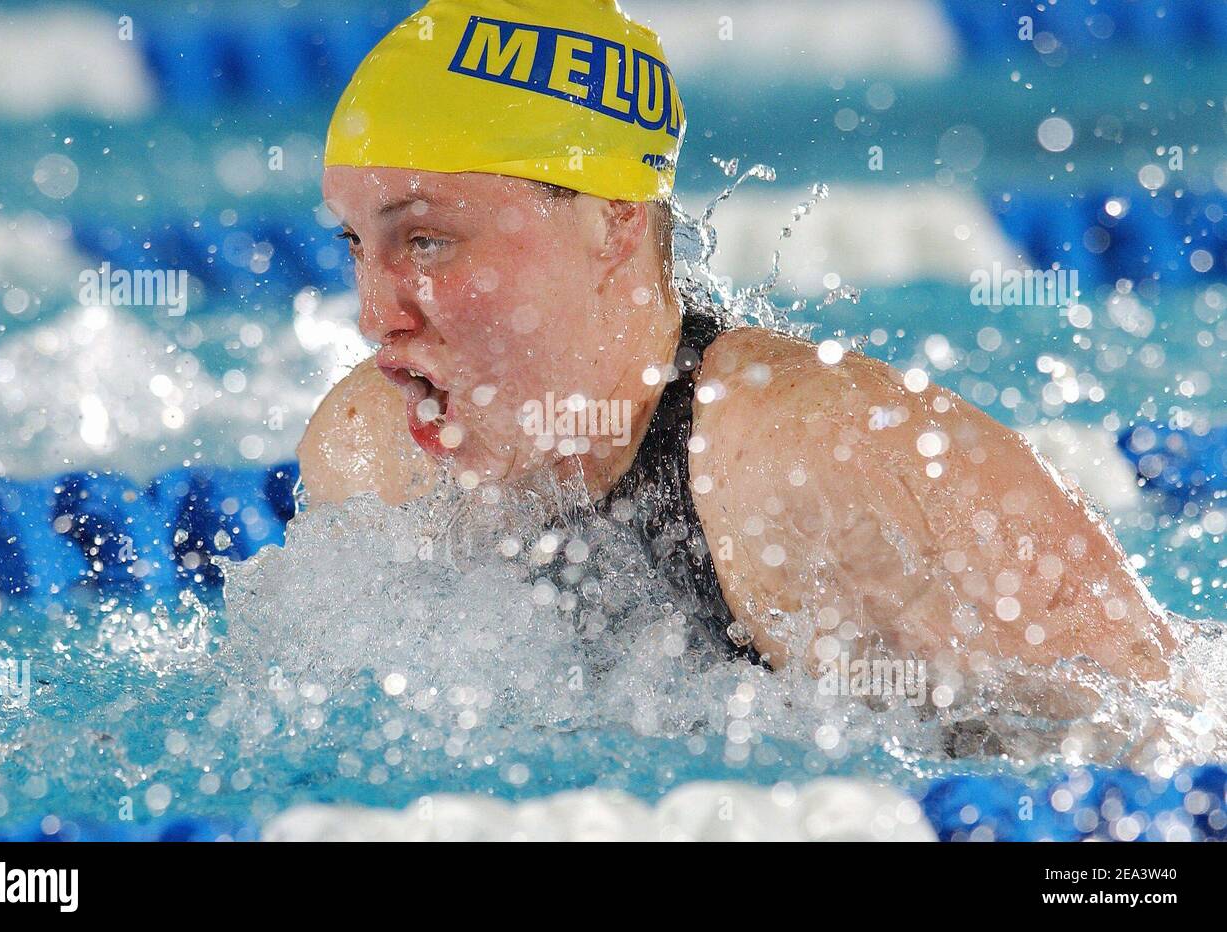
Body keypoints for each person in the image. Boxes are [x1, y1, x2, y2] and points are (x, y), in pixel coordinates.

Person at [298, 0, 1176, 700]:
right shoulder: (367, 456)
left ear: (611, 223)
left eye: (426, 243)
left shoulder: (820, 458)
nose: (377, 317)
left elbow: (1161, 755)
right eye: (352, 245)